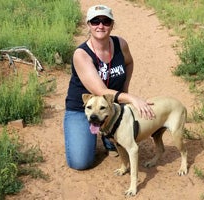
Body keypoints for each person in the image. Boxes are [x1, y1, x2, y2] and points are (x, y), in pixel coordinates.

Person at [64, 4, 155, 170]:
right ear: (88, 24)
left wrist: (124, 90)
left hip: (110, 106)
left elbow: (129, 62)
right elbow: (99, 91)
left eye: (106, 21)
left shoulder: (120, 44)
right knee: (80, 162)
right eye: (95, 21)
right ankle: (100, 133)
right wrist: (131, 98)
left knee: (124, 141)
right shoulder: (81, 54)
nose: (100, 25)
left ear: (112, 24)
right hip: (83, 108)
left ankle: (108, 133)